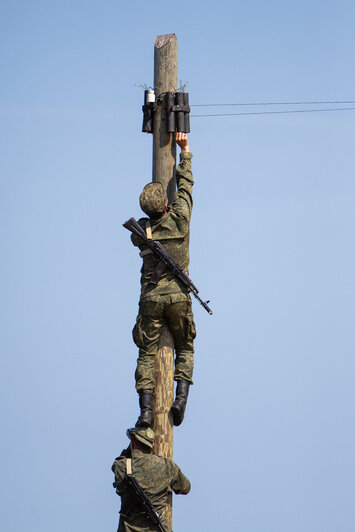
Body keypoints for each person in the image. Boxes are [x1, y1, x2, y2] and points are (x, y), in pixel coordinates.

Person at [130, 133, 196, 428]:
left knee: (146, 353)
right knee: (186, 348)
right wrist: (186, 152)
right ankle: (180, 400)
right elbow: (186, 188)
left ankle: (146, 412)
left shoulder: (143, 230)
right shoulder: (180, 218)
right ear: (166, 205)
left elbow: (136, 237)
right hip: (179, 297)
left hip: (152, 299)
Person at [112, 426, 191, 532]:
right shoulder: (167, 466)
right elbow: (185, 487)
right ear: (152, 445)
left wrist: (130, 449)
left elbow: (119, 461)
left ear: (132, 444)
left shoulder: (122, 467)